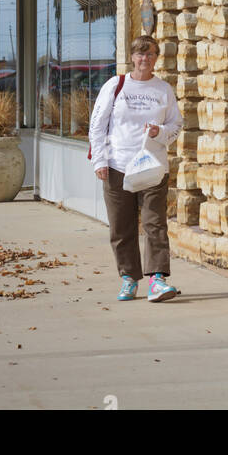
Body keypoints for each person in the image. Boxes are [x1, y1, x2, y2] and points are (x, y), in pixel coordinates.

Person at [89, 36, 183, 302]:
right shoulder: (116, 85)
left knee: (154, 223)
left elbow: (176, 125)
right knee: (121, 226)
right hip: (118, 166)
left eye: (151, 54)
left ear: (157, 58)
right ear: (132, 57)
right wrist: (100, 161)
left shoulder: (163, 89)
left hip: (153, 167)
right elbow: (97, 124)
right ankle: (129, 279)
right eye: (141, 54)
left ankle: (157, 280)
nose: (146, 59)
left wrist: (160, 131)